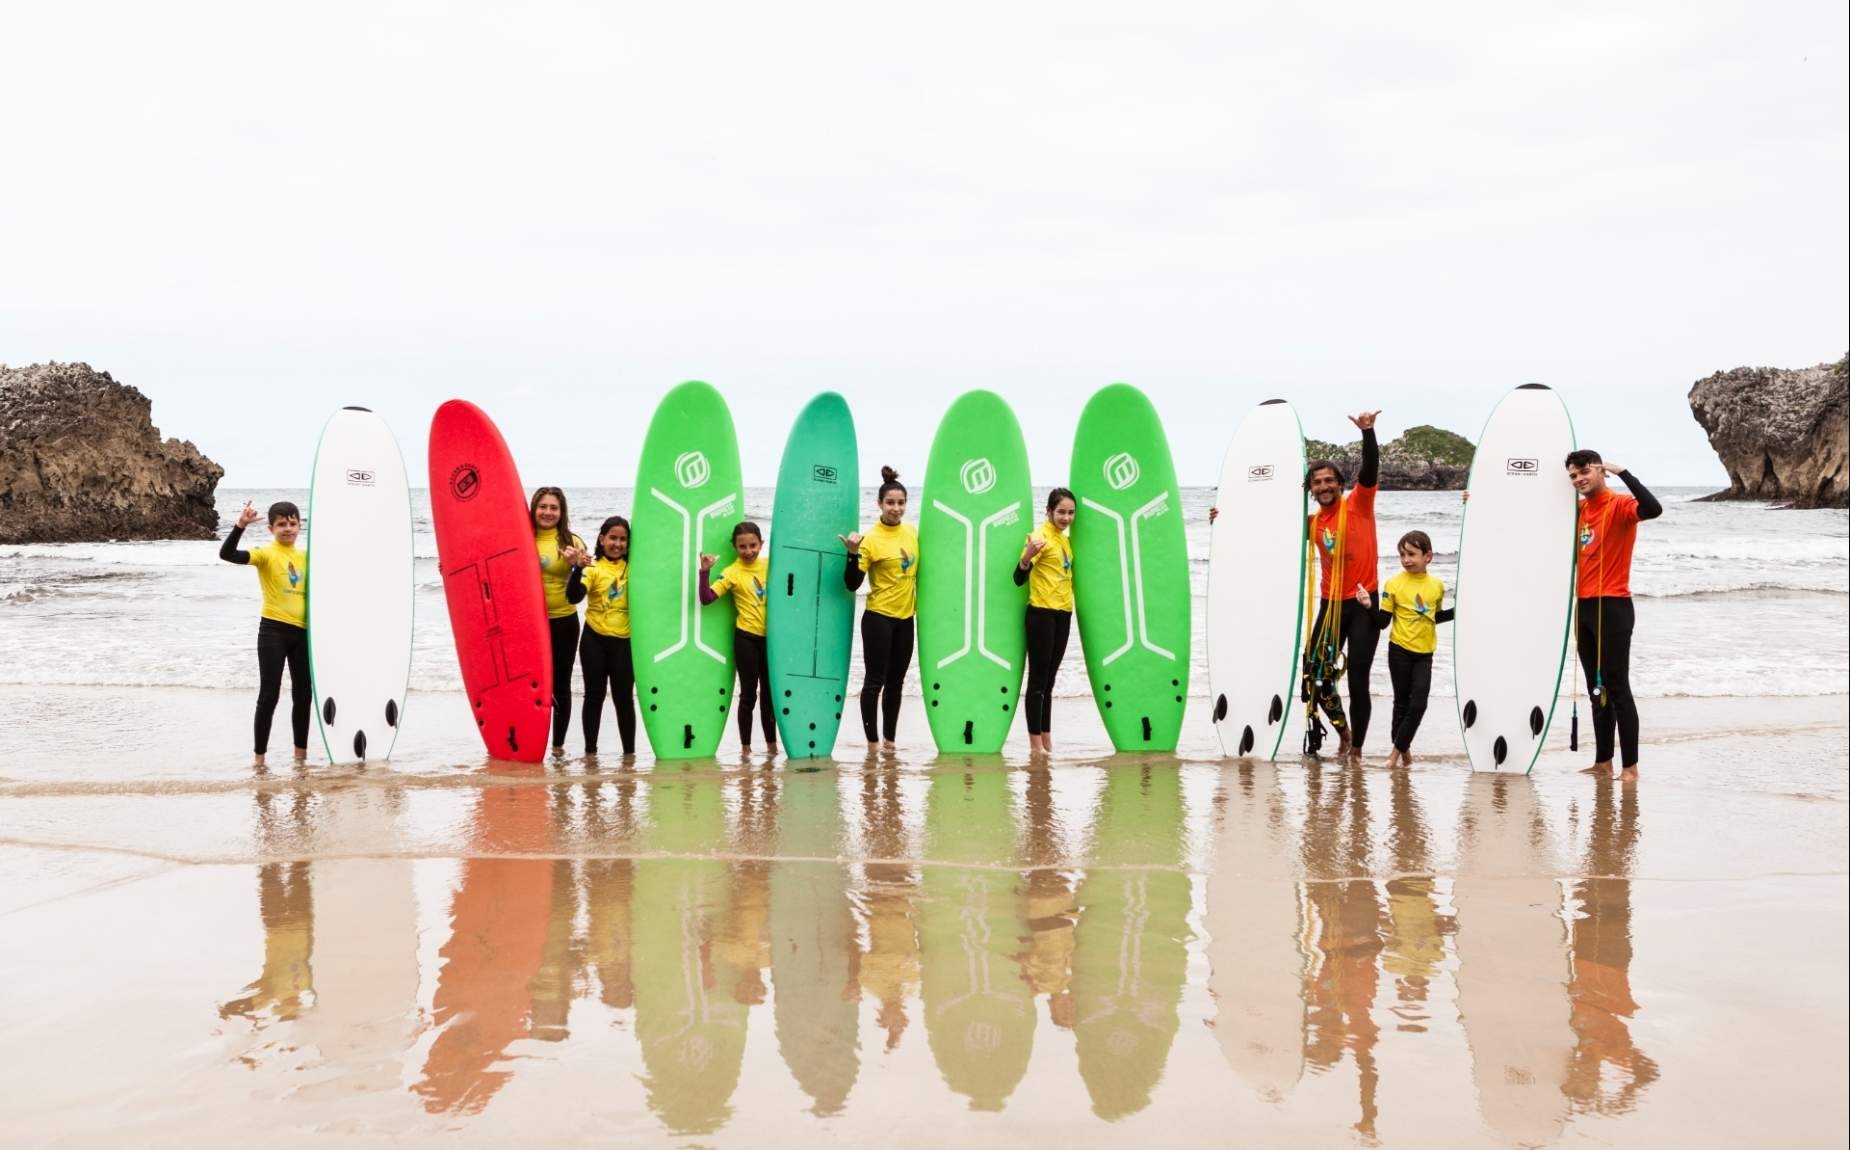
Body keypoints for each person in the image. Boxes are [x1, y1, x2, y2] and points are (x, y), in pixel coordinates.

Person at [1567, 450, 1662, 782]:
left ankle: (1631, 768)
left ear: (1600, 471)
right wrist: (1476, 501)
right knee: (1597, 689)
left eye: (1583, 472)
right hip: (1585, 608)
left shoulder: (1620, 506)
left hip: (1614, 606)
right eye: (1573, 476)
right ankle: (1603, 762)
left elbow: (1653, 508)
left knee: (1618, 688)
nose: (1579, 479)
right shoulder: (1577, 511)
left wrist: (1624, 473)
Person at [1302, 412, 1383, 761]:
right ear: (1311, 490)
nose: (1323, 487)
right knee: (1314, 672)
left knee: (1357, 680)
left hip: (1363, 604)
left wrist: (1368, 433)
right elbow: (1266, 531)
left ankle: (1358, 750)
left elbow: (1369, 469)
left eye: (1329, 480)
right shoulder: (1312, 522)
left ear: (1339, 484)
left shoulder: (1359, 504)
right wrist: (1222, 516)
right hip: (1330, 604)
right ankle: (1344, 733)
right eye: (1317, 482)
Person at [219, 500, 310, 767]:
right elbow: (227, 554)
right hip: (273, 631)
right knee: (269, 695)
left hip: (304, 634)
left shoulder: (308, 557)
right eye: (282, 524)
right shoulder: (265, 555)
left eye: (293, 523)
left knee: (304, 695)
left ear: (300, 526)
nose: (288, 528)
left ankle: (300, 758)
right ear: (271, 528)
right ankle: (259, 760)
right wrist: (240, 526)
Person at [1359, 530, 1454, 769]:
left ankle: (1397, 753)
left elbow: (1433, 617)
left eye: (1411, 554)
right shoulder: (1394, 584)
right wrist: (1369, 606)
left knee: (1418, 704)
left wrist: (1458, 610)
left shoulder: (1437, 586)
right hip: (1399, 650)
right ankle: (1400, 755)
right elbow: (1382, 622)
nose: (1406, 560)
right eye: (1402, 554)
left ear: (1428, 556)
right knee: (1402, 704)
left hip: (1425, 653)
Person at [840, 466, 919, 752]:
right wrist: (851, 554)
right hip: (878, 619)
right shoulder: (870, 539)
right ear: (879, 504)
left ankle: (890, 742)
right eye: (890, 503)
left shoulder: (912, 533)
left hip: (905, 619)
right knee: (875, 682)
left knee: (896, 683)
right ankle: (872, 744)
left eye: (900, 503)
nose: (896, 509)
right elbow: (852, 584)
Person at [700, 521, 777, 757]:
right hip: (746, 639)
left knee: (769, 696)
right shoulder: (732, 572)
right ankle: (745, 748)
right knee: (748, 695)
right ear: (735, 547)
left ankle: (772, 746)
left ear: (761, 544)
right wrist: (704, 572)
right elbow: (707, 598)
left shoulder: (772, 566)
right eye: (742, 546)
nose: (748, 551)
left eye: (753, 545)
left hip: (773, 641)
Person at [1014, 487, 1076, 756]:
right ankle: (1035, 744)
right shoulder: (1038, 537)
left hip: (1063, 613)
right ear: (1048, 511)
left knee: (1049, 681)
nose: (1066, 517)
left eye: (1071, 512)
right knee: (1038, 681)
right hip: (1041, 614)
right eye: (1061, 512)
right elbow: (1017, 578)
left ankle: (1047, 740)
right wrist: (1026, 557)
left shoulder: (1065, 540)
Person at [570, 515, 635, 758]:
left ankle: (629, 755)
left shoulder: (633, 569)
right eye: (612, 538)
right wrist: (577, 568)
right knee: (594, 696)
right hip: (594, 639)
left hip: (624, 642)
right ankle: (590, 753)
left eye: (623, 539)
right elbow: (574, 597)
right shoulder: (593, 568)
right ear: (601, 539)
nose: (617, 544)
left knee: (624, 699)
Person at [532, 486, 590, 755]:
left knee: (561, 683)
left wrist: (577, 565)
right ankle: (531, 740)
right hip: (529, 624)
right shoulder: (521, 536)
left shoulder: (572, 542)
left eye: (553, 507)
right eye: (542, 506)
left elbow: (586, 582)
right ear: (534, 508)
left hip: (563, 622)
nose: (547, 512)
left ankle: (557, 745)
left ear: (562, 512)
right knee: (531, 683)